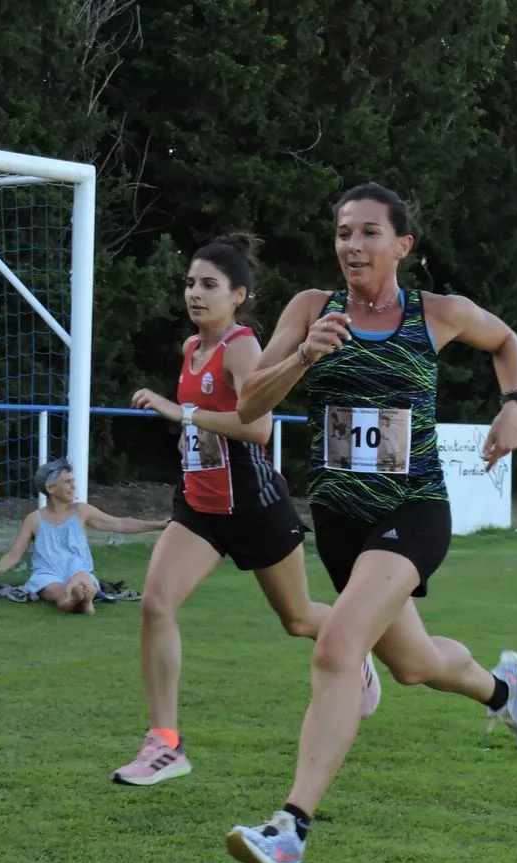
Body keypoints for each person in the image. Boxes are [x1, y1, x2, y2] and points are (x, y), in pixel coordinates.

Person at [224, 182, 517, 863]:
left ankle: (289, 829)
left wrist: (513, 408)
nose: (352, 245)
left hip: (415, 509)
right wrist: (304, 355)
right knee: (414, 664)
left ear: (402, 245)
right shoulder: (312, 310)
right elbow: (249, 406)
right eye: (343, 232)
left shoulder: (437, 314)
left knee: (338, 644)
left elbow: (507, 341)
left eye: (369, 233)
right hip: (341, 520)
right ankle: (502, 690)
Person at [109, 234, 382, 788]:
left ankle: (356, 646)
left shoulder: (242, 348)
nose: (194, 293)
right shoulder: (191, 349)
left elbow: (257, 427)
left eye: (209, 285)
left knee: (300, 619)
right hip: (200, 508)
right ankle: (165, 744)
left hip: (254, 506)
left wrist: (178, 412)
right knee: (156, 606)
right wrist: (185, 422)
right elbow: (204, 426)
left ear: (239, 295)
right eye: (190, 282)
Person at [0, 458, 167, 613]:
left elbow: (120, 523)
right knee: (59, 594)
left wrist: (159, 525)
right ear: (50, 488)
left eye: (73, 481)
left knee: (81, 577)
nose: (74, 486)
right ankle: (80, 600)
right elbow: (14, 554)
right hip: (47, 575)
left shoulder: (81, 511)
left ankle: (81, 596)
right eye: (68, 482)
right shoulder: (34, 519)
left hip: (77, 571)